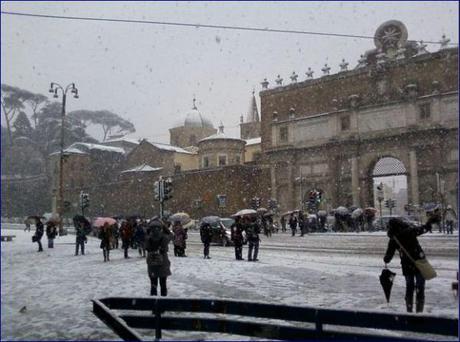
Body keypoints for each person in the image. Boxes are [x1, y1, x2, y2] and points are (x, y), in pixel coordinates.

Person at [383, 216, 438, 313]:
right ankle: (419, 311)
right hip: (419, 262)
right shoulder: (410, 231)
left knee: (409, 287)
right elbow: (423, 228)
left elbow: (389, 253)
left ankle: (409, 310)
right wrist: (430, 222)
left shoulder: (394, 238)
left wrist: (386, 260)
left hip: (406, 264)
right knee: (420, 287)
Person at [145, 219, 173, 296]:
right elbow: (171, 235)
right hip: (162, 264)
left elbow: (146, 246)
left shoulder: (148, 238)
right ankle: (163, 302)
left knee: (153, 285)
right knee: (163, 284)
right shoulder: (164, 238)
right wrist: (165, 227)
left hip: (152, 263)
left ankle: (153, 302)